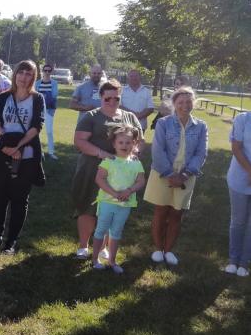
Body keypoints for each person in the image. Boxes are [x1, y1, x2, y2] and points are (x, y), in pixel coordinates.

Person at [72, 80, 142, 259]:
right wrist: (102, 154)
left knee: (111, 208)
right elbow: (79, 141)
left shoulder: (130, 117)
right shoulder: (91, 116)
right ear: (101, 97)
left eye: (116, 98)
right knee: (88, 206)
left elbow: (139, 142)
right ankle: (83, 246)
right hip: (91, 168)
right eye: (107, 98)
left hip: (120, 175)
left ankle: (103, 246)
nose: (112, 102)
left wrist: (133, 154)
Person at [144, 86, 208, 266]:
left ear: (194, 103)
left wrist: (185, 174)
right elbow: (158, 151)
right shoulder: (163, 123)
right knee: (161, 211)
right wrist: (170, 174)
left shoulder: (201, 126)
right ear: (174, 103)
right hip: (162, 174)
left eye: (189, 101)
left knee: (176, 213)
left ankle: (169, 250)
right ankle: (158, 249)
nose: (185, 105)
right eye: (180, 102)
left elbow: (201, 153)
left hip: (186, 176)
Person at [0, 60, 46, 254]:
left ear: (33, 77)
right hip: (2, 153)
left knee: (20, 199)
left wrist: (17, 147)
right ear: (15, 74)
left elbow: (36, 127)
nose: (24, 77)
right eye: (21, 72)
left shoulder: (37, 99)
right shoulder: (3, 97)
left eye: (29, 74)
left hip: (26, 156)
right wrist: (5, 144)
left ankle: (11, 241)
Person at [91, 126, 146, 273]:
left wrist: (129, 190)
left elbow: (141, 181)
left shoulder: (136, 163)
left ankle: (112, 261)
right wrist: (114, 193)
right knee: (101, 230)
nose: (124, 145)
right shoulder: (109, 161)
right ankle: (95, 259)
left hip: (125, 204)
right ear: (114, 144)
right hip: (107, 202)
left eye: (128, 143)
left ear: (134, 144)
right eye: (121, 142)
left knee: (116, 232)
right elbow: (99, 179)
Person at [226, 110, 251, 277]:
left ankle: (244, 262)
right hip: (239, 178)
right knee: (238, 221)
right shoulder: (243, 119)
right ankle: (233, 260)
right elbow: (236, 148)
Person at [35, 64, 59, 159]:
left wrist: (42, 96)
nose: (47, 72)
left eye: (49, 71)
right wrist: (45, 95)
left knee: (49, 131)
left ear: (51, 72)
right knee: (37, 131)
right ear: (43, 71)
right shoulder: (37, 83)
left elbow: (54, 95)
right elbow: (35, 95)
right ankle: (39, 151)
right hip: (38, 110)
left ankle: (51, 152)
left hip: (49, 110)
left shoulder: (54, 83)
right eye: (45, 70)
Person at [120, 69, 155, 133]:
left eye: (136, 76)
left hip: (141, 125)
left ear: (140, 77)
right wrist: (133, 115)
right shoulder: (122, 90)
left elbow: (150, 108)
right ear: (128, 78)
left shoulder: (146, 91)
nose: (134, 78)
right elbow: (119, 106)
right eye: (131, 76)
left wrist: (139, 116)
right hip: (124, 125)